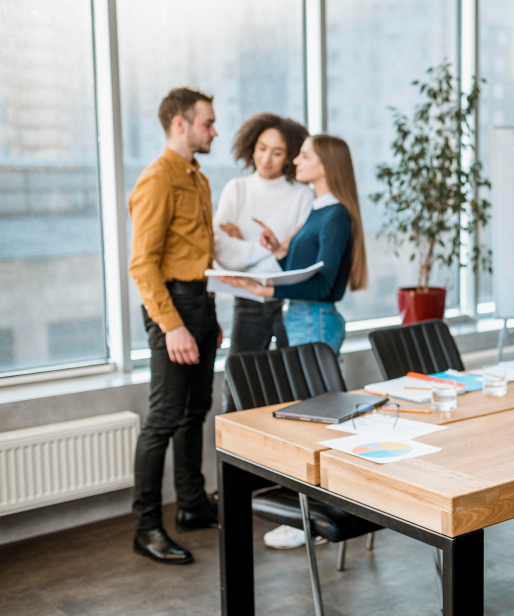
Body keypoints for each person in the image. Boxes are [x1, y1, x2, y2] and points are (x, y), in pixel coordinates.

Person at [219, 134, 368, 549]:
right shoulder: (319, 210)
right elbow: (303, 268)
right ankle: (312, 515)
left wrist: (262, 288)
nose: (295, 162)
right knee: (309, 425)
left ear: (326, 165)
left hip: (316, 323)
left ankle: (313, 520)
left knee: (315, 430)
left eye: (303, 156)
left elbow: (322, 286)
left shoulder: (336, 215)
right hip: (302, 322)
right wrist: (279, 250)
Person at [128, 86, 222, 565]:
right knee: (162, 419)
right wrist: (173, 327)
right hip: (174, 310)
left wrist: (210, 318)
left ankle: (192, 505)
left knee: (195, 412)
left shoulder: (197, 178)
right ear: (180, 124)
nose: (214, 130)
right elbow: (142, 265)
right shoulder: (159, 178)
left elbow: (197, 255)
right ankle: (146, 528)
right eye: (207, 122)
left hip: (199, 305)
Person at [213, 113, 313, 414]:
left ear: (289, 157)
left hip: (289, 301)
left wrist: (243, 241)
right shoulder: (237, 189)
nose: (266, 158)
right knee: (237, 390)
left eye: (277, 151)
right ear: (251, 146)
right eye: (261, 147)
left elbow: (298, 260)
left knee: (297, 388)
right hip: (247, 301)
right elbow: (221, 251)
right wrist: (273, 246)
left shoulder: (302, 195)